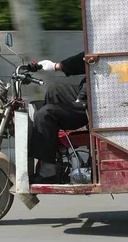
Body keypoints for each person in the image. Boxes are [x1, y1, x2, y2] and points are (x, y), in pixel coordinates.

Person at [30, 51, 88, 183]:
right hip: (89, 91)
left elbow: (91, 61)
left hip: (95, 101)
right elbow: (85, 59)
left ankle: (48, 172)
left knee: (45, 115)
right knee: (54, 90)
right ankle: (52, 157)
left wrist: (81, 98)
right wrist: (56, 66)